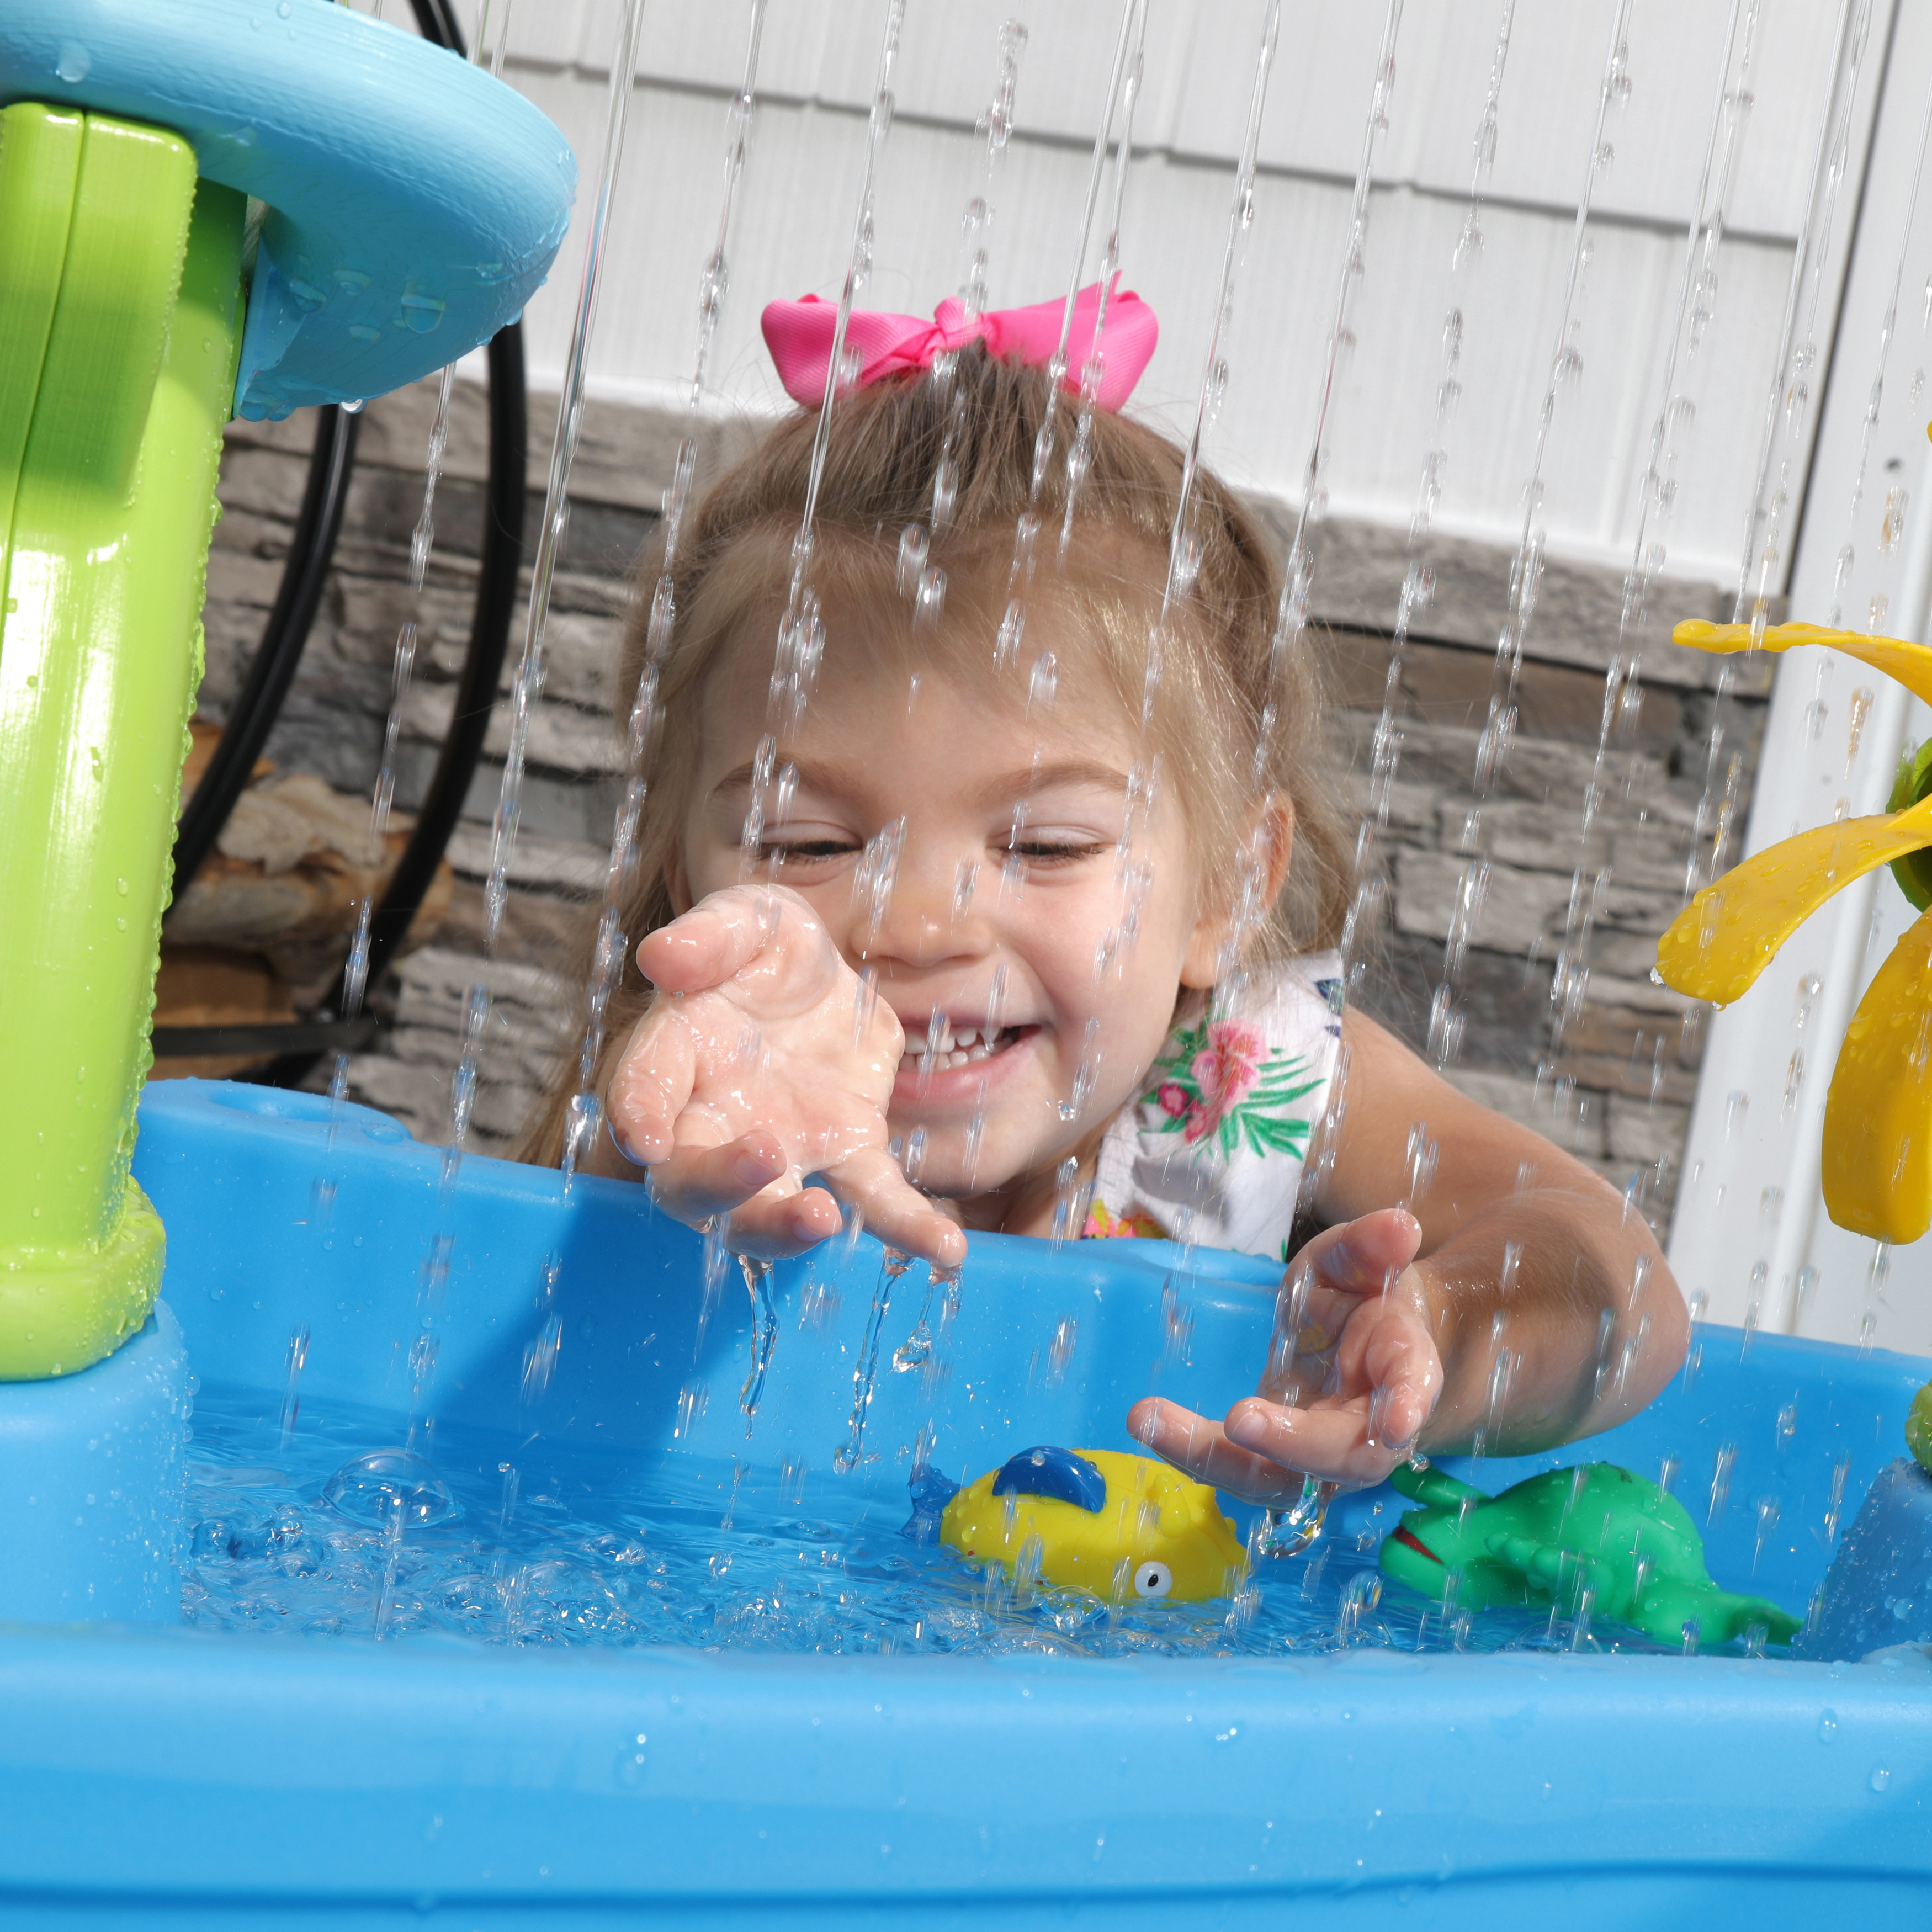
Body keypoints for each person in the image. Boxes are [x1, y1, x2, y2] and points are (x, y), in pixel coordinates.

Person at [520, 284, 1687, 1505]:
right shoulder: (693, 1103)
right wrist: (659, 1180)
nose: (917, 922)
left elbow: (1624, 1288)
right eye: (805, 841)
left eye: (1045, 846)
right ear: (680, 878)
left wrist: (1444, 1335)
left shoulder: (1260, 1077)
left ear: (1229, 890)